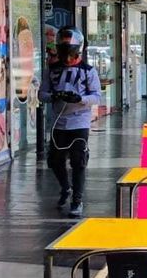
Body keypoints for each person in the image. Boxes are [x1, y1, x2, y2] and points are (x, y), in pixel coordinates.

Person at [38, 26, 101, 217]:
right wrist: (54, 96)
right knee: (55, 161)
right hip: (59, 122)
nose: (67, 58)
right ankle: (65, 187)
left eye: (70, 52)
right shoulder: (52, 71)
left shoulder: (88, 71)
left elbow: (96, 96)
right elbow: (41, 93)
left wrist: (80, 99)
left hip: (79, 122)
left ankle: (77, 200)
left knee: (78, 161)